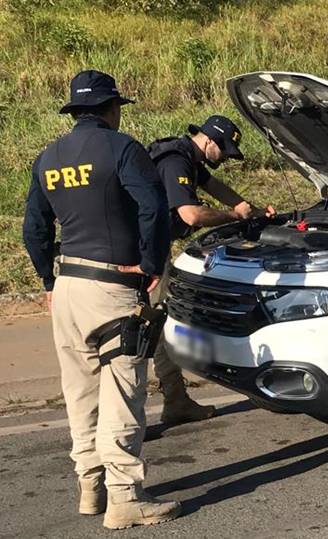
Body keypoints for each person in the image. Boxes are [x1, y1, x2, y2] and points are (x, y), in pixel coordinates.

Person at [22, 70, 181, 529]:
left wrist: (48, 285)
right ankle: (125, 498)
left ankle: (89, 488)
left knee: (80, 393)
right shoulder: (123, 148)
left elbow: (35, 230)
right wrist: (151, 266)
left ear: (75, 112)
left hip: (67, 286)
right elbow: (153, 209)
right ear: (112, 109)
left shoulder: (48, 157)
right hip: (112, 288)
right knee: (122, 392)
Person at [147, 115, 274, 424]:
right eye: (225, 151)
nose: (226, 159)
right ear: (209, 141)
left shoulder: (187, 157)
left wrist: (252, 211)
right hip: (145, 251)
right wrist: (233, 216)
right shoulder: (176, 161)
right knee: (155, 324)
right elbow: (191, 215)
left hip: (150, 245)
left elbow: (217, 187)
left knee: (157, 322)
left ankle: (174, 401)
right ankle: (171, 403)